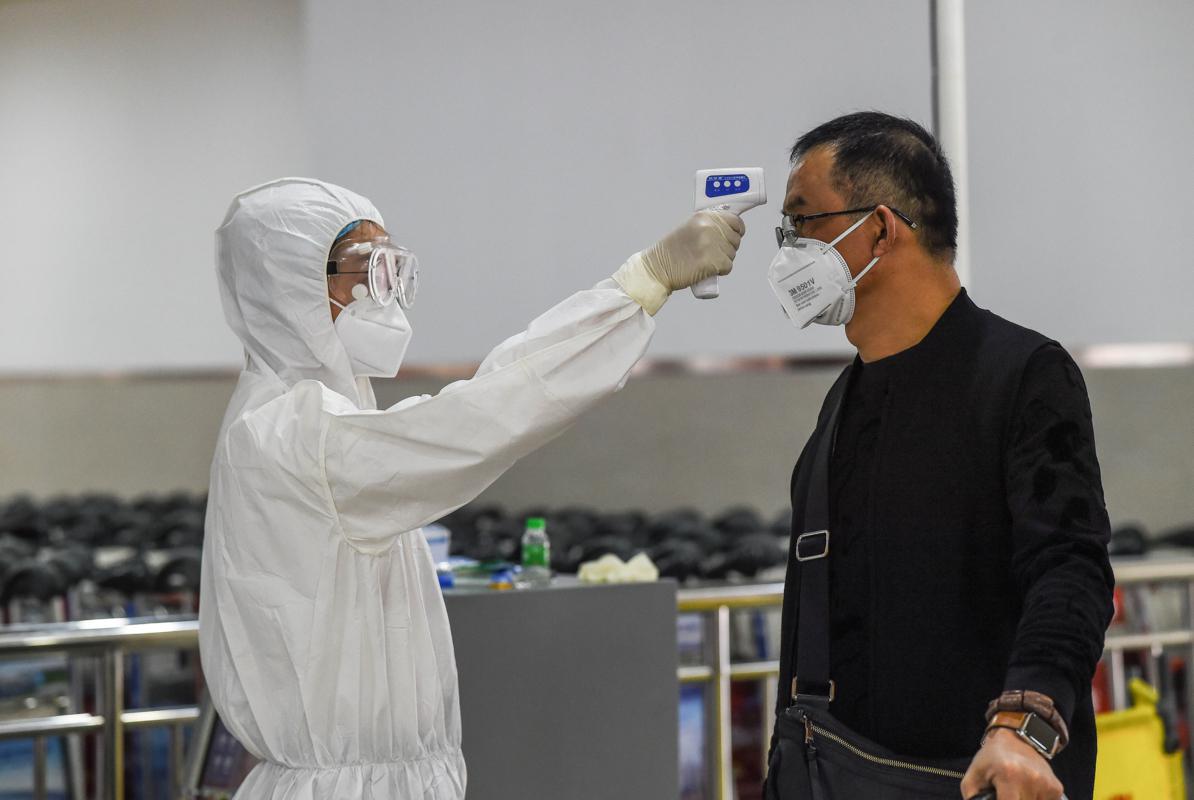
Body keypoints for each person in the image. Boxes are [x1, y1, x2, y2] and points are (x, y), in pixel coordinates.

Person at [198, 177, 744, 798]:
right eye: (366, 271)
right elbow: (483, 416)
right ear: (288, 288)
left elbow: (485, 399)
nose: (387, 296)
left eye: (393, 269)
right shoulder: (286, 434)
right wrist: (641, 284)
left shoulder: (320, 420)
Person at [765, 114, 1114, 800]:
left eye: (802, 221)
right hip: (841, 772)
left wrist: (1026, 723)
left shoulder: (1022, 376)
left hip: (979, 777)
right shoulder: (844, 402)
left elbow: (1070, 567)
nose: (789, 248)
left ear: (880, 228)